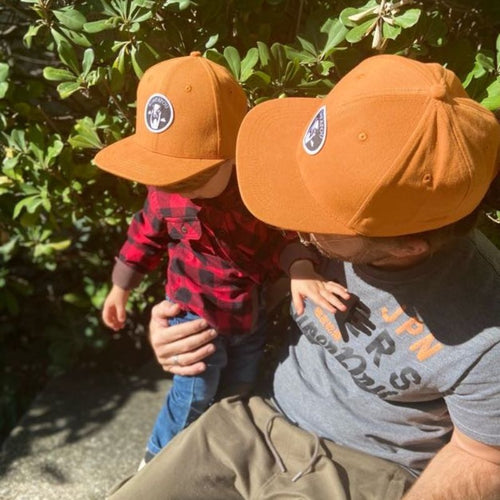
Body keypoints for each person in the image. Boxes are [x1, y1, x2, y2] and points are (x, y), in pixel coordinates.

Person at [107, 54, 500, 499]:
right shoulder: (321, 211)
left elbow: (483, 456)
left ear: (406, 246)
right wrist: (177, 331)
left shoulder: (486, 328)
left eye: (317, 211)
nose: (288, 216)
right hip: (251, 419)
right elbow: (233, 276)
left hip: (365, 472)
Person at [94, 52, 350, 466]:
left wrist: (301, 268)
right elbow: (144, 235)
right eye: (165, 175)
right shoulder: (165, 193)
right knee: (193, 390)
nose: (180, 188)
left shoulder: (255, 196)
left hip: (247, 316)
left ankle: (218, 453)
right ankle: (158, 460)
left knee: (239, 389)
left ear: (236, 154)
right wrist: (120, 286)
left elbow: (282, 237)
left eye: (193, 177)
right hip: (192, 313)